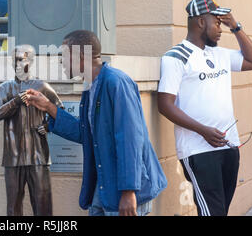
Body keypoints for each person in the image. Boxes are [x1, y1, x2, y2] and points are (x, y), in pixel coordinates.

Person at [25, 30, 167, 216]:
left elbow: (130, 139)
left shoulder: (116, 82)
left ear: (80, 57)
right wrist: (48, 106)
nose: (61, 61)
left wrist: (129, 191)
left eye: (64, 55)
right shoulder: (91, 87)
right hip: (103, 190)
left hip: (126, 193)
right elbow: (85, 133)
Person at [158, 0, 252, 216]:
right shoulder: (176, 57)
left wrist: (236, 26)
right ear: (199, 22)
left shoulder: (219, 54)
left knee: (219, 211)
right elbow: (165, 105)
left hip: (229, 144)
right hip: (198, 149)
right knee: (212, 212)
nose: (220, 28)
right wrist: (203, 131)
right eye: (216, 22)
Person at [0, 45, 62, 216]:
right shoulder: (4, 88)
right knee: (13, 206)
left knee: (42, 204)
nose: (17, 64)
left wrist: (48, 126)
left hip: (38, 155)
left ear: (31, 61)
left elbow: (60, 110)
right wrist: (15, 102)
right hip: (13, 157)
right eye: (14, 60)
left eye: (21, 59)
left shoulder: (41, 86)